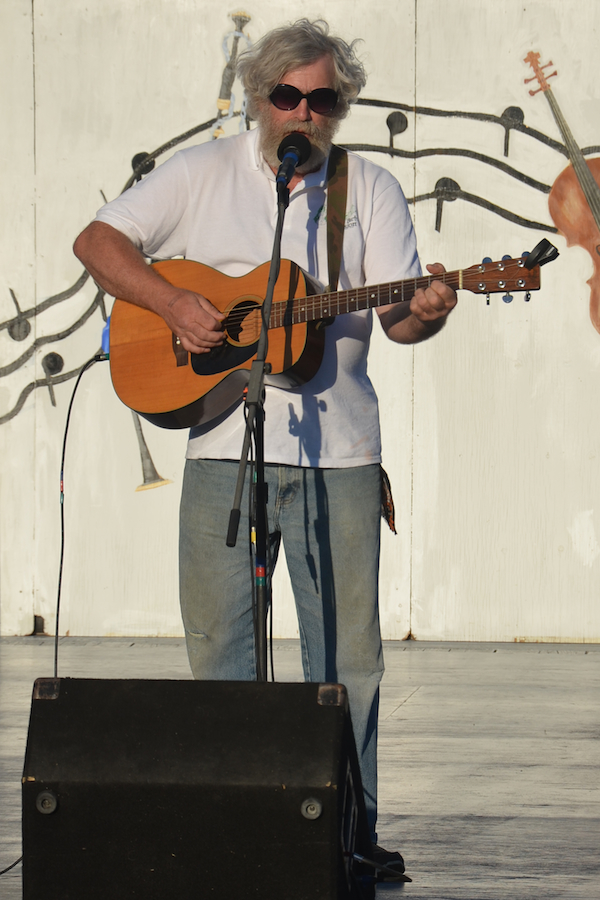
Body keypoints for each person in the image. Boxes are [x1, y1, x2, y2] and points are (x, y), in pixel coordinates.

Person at [74, 18, 457, 877]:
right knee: (221, 653)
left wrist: (427, 310)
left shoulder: (372, 190)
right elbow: (98, 242)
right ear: (258, 99)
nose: (304, 113)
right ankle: (237, 821)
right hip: (220, 449)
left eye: (322, 100)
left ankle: (345, 835)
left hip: (342, 459)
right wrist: (174, 304)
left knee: (347, 662)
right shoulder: (202, 172)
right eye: (287, 96)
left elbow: (398, 322)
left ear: (339, 108)